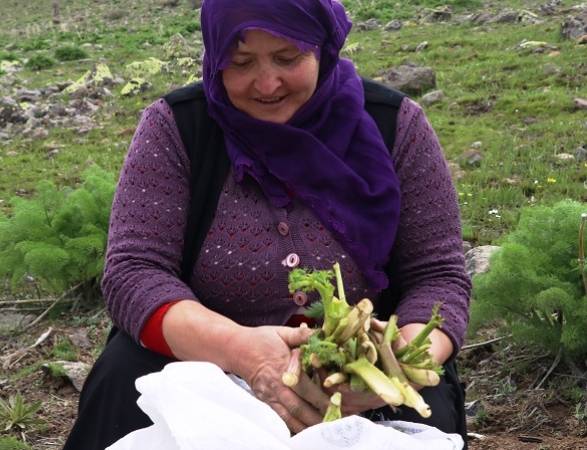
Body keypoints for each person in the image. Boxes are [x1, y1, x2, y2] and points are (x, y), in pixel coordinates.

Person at [63, 0, 471, 448]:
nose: (267, 83)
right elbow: (134, 272)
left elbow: (439, 276)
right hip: (206, 361)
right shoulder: (178, 128)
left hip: (364, 372)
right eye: (240, 62)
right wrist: (240, 351)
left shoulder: (396, 126)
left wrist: (387, 370)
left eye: (287, 58)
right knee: (125, 378)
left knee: (425, 403)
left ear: (323, 47)